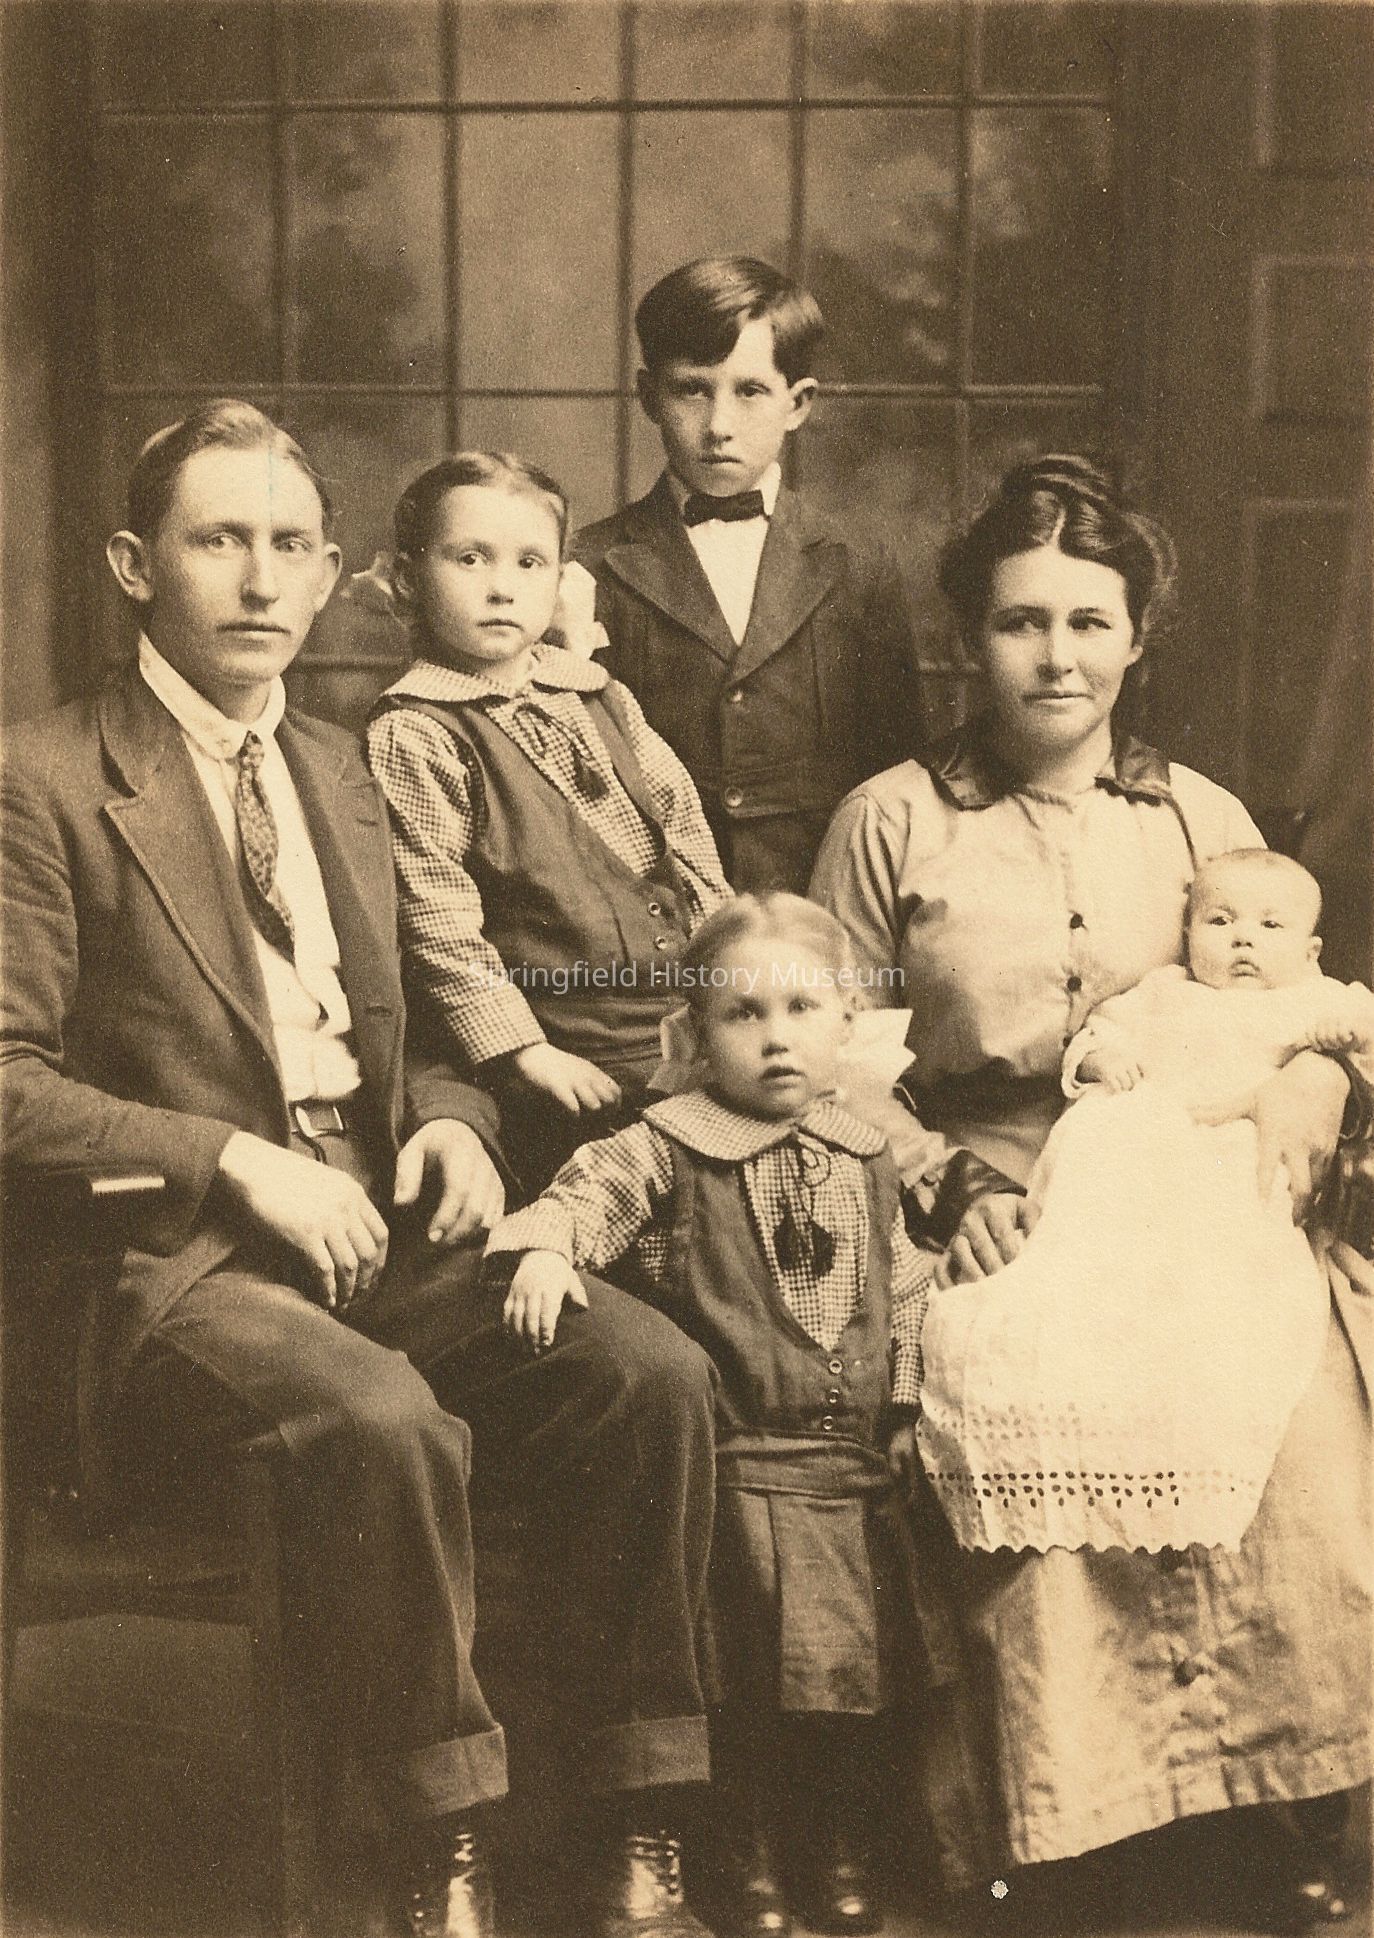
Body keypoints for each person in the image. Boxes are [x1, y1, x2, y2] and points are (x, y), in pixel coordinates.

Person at [0, 402, 721, 1938]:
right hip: (170, 1265)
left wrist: (452, 1117)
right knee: (379, 1416)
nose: (259, 579)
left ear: (332, 575)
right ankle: (430, 1848)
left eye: (288, 545)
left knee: (641, 1372)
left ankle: (631, 1822)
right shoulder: (41, 780)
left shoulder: (339, 768)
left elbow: (420, 1029)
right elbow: (4, 1082)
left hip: (378, 1225)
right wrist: (233, 1160)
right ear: (133, 564)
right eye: (217, 540)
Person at [810, 455, 1370, 1924]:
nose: (1055, 656)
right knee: (1014, 1379)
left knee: (1303, 1407)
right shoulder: (889, 820)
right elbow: (825, 1059)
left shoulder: (1199, 817)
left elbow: (1295, 999)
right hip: (975, 1189)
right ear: (969, 637)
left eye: (1087, 621)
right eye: (1019, 621)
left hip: (1188, 1188)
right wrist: (943, 1184)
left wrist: (1315, 1083)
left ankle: (1282, 1795)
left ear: (1137, 636)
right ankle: (1072, 1819)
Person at [483, 893, 936, 1938]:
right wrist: (548, 1246)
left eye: (802, 1009)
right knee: (741, 1680)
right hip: (733, 1471)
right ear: (692, 1034)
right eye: (743, 1014)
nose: (777, 1037)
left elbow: (905, 1287)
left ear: (849, 1023)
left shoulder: (864, 1153)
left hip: (846, 1467)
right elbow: (584, 1195)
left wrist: (906, 1406)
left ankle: (834, 1840)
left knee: (847, 1677)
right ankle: (748, 1849)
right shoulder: (665, 1145)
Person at [920, 846, 1374, 1557]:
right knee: (1100, 1186)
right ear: (1187, 933)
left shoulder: (1313, 1000)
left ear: (1310, 951)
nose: (1244, 940)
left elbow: (1362, 1037)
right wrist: (1102, 1059)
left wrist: (1341, 1047)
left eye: (1269, 927)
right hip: (1143, 1148)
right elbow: (1095, 1038)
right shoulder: (1163, 992)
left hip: (1236, 1152)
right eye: (1220, 922)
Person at [364, 451, 730, 1192]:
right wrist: (525, 1052)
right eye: (470, 559)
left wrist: (734, 980)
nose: (502, 587)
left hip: (682, 1030)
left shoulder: (600, 697)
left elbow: (689, 843)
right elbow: (437, 925)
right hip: (563, 1056)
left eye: (529, 563)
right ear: (408, 578)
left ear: (560, 579)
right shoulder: (418, 732)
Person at [571, 256, 923, 897]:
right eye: (691, 390)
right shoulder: (590, 564)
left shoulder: (858, 563)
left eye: (750, 391)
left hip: (818, 903)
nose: (719, 426)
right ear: (649, 398)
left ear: (798, 403)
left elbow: (898, 769)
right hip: (655, 906)